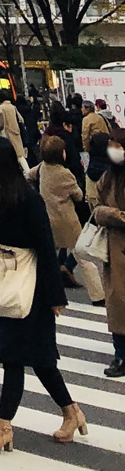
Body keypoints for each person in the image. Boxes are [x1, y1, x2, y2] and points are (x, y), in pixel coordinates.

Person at [0, 134, 83, 451]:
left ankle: (2, 426)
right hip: (6, 282)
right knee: (41, 359)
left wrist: (55, 296)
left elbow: (46, 246)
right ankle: (71, 412)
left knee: (13, 356)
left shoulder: (26, 196)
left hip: (31, 283)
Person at [36, 133, 104, 304]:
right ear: (61, 154)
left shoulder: (42, 167)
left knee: (43, 258)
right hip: (67, 221)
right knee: (84, 259)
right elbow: (79, 195)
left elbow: (29, 175)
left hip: (47, 219)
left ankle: (40, 291)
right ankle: (98, 295)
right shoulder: (65, 174)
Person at [91, 125, 125, 375]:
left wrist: (109, 214)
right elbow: (94, 201)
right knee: (116, 303)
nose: (114, 150)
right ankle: (121, 355)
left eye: (119, 145)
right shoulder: (110, 175)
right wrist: (107, 213)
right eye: (111, 145)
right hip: (113, 249)